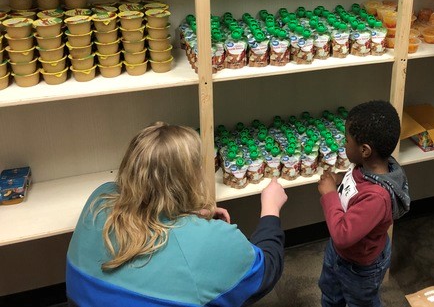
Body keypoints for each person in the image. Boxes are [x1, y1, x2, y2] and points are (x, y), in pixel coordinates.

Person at [66, 122, 288, 307]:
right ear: (190, 178)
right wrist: (271, 208)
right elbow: (266, 270)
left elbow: (148, 205)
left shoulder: (99, 197)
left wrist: (190, 215)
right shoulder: (212, 242)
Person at [317, 100, 411, 307]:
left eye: (347, 140)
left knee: (361, 302)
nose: (344, 144)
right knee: (331, 294)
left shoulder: (376, 198)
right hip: (340, 254)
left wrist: (329, 194)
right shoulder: (366, 165)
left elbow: (343, 235)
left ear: (365, 150)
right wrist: (340, 179)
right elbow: (356, 180)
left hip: (360, 266)